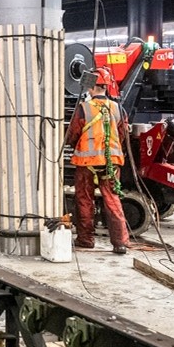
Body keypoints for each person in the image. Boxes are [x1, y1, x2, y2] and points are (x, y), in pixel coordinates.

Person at [65, 67, 132, 254]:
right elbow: (122, 135)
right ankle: (120, 242)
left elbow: (72, 135)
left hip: (87, 163)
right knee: (112, 199)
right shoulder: (119, 109)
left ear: (91, 87)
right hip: (112, 163)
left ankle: (86, 239)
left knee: (85, 200)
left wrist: (72, 144)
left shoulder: (83, 109)